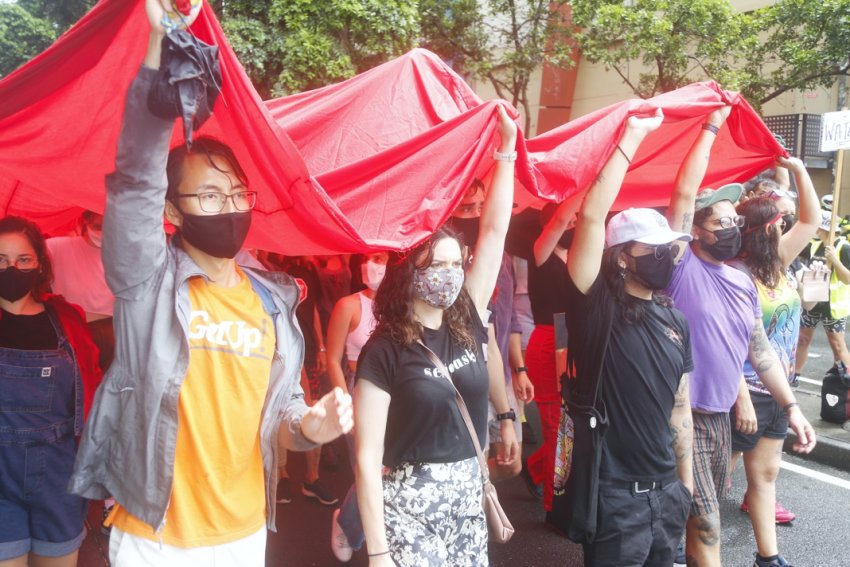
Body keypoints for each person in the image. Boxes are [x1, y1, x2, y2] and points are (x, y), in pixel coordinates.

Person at [68, 4, 352, 565]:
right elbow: (134, 181)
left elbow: (286, 420)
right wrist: (158, 40)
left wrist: (312, 427)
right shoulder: (145, 281)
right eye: (207, 196)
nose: (227, 208)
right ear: (172, 210)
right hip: (155, 540)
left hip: (245, 537)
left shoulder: (274, 302)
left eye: (236, 195)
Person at [355, 104, 517, 566]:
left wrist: (505, 149)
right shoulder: (383, 350)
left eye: (454, 264)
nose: (449, 274)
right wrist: (379, 551)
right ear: (410, 272)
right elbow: (366, 460)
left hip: (467, 494)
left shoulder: (464, 315)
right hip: (410, 504)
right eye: (436, 265)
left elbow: (494, 230)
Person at [664, 107, 816, 567]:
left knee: (696, 525)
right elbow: (684, 194)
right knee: (707, 523)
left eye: (734, 222)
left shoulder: (742, 281)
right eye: (719, 223)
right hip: (679, 416)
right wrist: (711, 127)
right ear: (694, 232)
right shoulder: (679, 267)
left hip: (717, 418)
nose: (730, 228)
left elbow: (760, 350)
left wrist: (792, 408)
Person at [558, 109, 696, 566]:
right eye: (654, 250)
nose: (666, 257)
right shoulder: (598, 310)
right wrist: (632, 137)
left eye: (668, 249)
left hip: (667, 493)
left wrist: (685, 487)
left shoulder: (675, 321)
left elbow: (681, 410)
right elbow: (594, 216)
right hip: (616, 499)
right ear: (621, 258)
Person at [728, 156, 819, 567]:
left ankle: (769, 557)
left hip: (778, 389)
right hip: (742, 393)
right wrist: (739, 397)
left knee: (764, 478)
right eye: (780, 218)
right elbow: (728, 346)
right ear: (766, 227)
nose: (786, 222)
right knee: (712, 482)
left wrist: (799, 169)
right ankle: (682, 547)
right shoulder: (733, 274)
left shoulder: (777, 261)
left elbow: (811, 220)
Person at [0, 216, 102, 567]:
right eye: (0, 259)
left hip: (59, 473)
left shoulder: (67, 318)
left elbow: (93, 385)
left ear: (39, 263)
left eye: (23, 259)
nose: (12, 268)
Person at [47, 210, 119, 533]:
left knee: (111, 420)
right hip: (70, 339)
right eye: (97, 222)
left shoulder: (127, 251)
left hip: (116, 338)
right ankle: (68, 506)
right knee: (69, 420)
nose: (102, 229)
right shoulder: (57, 248)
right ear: (83, 221)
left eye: (109, 221)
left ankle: (109, 502)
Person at [326, 251, 389, 561]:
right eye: (370, 257)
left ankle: (354, 523)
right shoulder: (349, 305)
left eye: (383, 258)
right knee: (368, 468)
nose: (375, 265)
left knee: (390, 467)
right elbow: (332, 358)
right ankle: (353, 528)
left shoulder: (402, 306)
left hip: (397, 390)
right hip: (359, 387)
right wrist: (345, 399)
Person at [522, 199, 580, 507]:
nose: (573, 224)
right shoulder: (540, 252)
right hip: (549, 340)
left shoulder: (581, 253)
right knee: (557, 427)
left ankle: (534, 470)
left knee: (576, 424)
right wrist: (581, 186)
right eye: (570, 220)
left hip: (576, 339)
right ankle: (553, 506)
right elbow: (558, 223)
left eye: (577, 220)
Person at [795, 210, 850, 373]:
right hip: (813, 300)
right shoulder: (815, 244)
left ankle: (844, 380)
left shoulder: (843, 248)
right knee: (803, 339)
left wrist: (834, 260)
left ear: (823, 228)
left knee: (837, 344)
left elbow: (847, 279)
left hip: (832, 306)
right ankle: (795, 375)